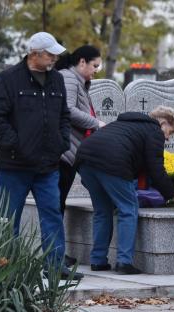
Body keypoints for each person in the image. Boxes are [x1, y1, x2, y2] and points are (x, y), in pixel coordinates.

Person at [0, 32, 83, 280]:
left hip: (48, 165)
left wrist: (61, 143)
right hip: (14, 165)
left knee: (52, 215)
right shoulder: (9, 79)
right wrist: (15, 144)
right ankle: (5, 268)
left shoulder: (57, 80)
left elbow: (63, 116)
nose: (54, 59)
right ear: (34, 53)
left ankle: (56, 266)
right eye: (50, 54)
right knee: (8, 220)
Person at [75, 106, 174, 274]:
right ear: (163, 122)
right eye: (169, 131)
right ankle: (124, 262)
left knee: (102, 210)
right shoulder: (154, 130)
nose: (167, 137)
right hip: (113, 162)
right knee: (128, 209)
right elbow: (156, 169)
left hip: (84, 159)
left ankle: (98, 260)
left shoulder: (124, 124)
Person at [55, 45, 105, 267]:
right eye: (94, 65)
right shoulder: (69, 78)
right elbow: (67, 109)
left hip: (73, 151)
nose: (96, 70)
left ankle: (57, 254)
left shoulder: (79, 81)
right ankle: (55, 255)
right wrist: (96, 123)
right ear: (82, 62)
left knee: (59, 203)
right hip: (64, 152)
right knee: (56, 205)